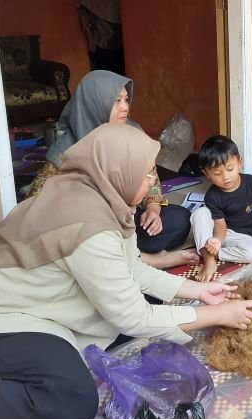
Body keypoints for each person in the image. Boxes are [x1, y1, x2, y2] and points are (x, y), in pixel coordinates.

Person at [0, 123, 252, 419]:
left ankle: (1, 377)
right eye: (146, 173)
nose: (152, 181)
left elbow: (132, 270)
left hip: (39, 313)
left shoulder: (103, 199)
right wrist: (216, 315)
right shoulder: (86, 222)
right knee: (70, 403)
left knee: (140, 310)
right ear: (119, 170)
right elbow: (132, 316)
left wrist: (199, 292)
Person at [29, 70, 197, 269]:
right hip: (89, 229)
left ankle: (129, 258)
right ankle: (142, 260)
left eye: (126, 99)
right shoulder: (68, 150)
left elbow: (150, 178)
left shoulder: (132, 132)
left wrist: (153, 208)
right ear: (94, 104)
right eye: (116, 101)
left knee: (180, 219)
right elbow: (36, 206)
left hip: (125, 218)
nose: (125, 107)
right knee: (77, 246)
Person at [191, 136, 252, 281]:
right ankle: (209, 260)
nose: (226, 177)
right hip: (217, 230)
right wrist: (217, 240)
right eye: (217, 173)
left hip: (240, 236)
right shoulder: (212, 195)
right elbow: (220, 224)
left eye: (230, 169)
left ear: (239, 162)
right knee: (199, 213)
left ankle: (212, 252)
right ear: (207, 174)